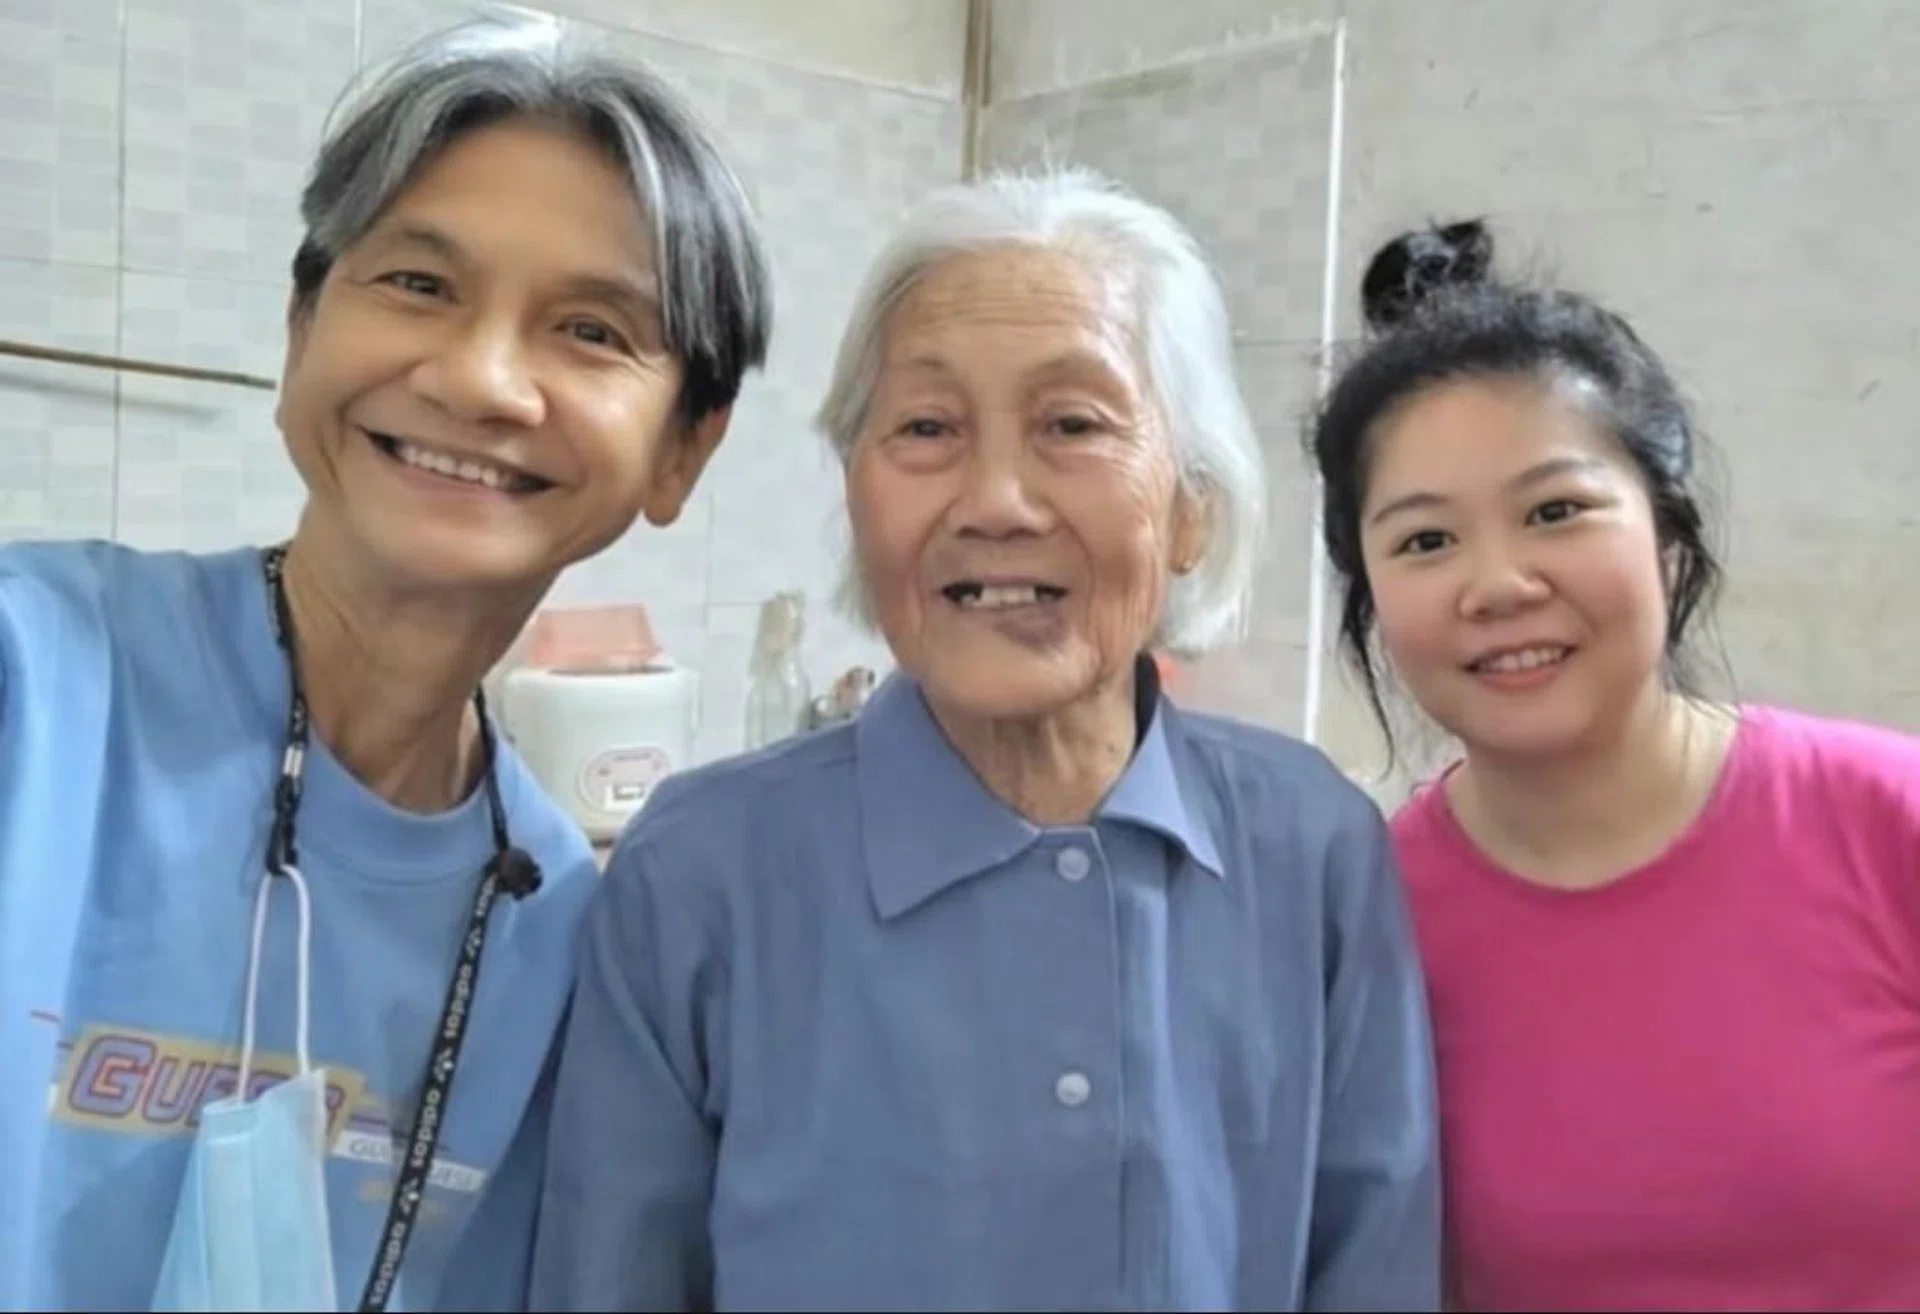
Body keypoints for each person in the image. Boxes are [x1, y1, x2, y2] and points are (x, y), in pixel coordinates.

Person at [530, 167, 1442, 1313]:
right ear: (858, 497)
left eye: (1073, 424)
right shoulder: (702, 871)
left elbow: (1376, 1267)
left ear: (1192, 505)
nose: (996, 500)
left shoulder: (1313, 848)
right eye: (926, 428)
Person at [0, 14, 771, 1311]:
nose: (479, 379)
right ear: (303, 327)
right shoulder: (40, 682)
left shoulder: (563, 925)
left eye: (591, 331)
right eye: (418, 283)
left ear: (685, 449)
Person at [1310, 218, 1920, 1311]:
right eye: (1424, 541)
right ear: (1370, 600)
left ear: (1669, 538)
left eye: (1557, 512)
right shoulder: (1363, 924)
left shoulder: (1887, 820)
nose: (1496, 585)